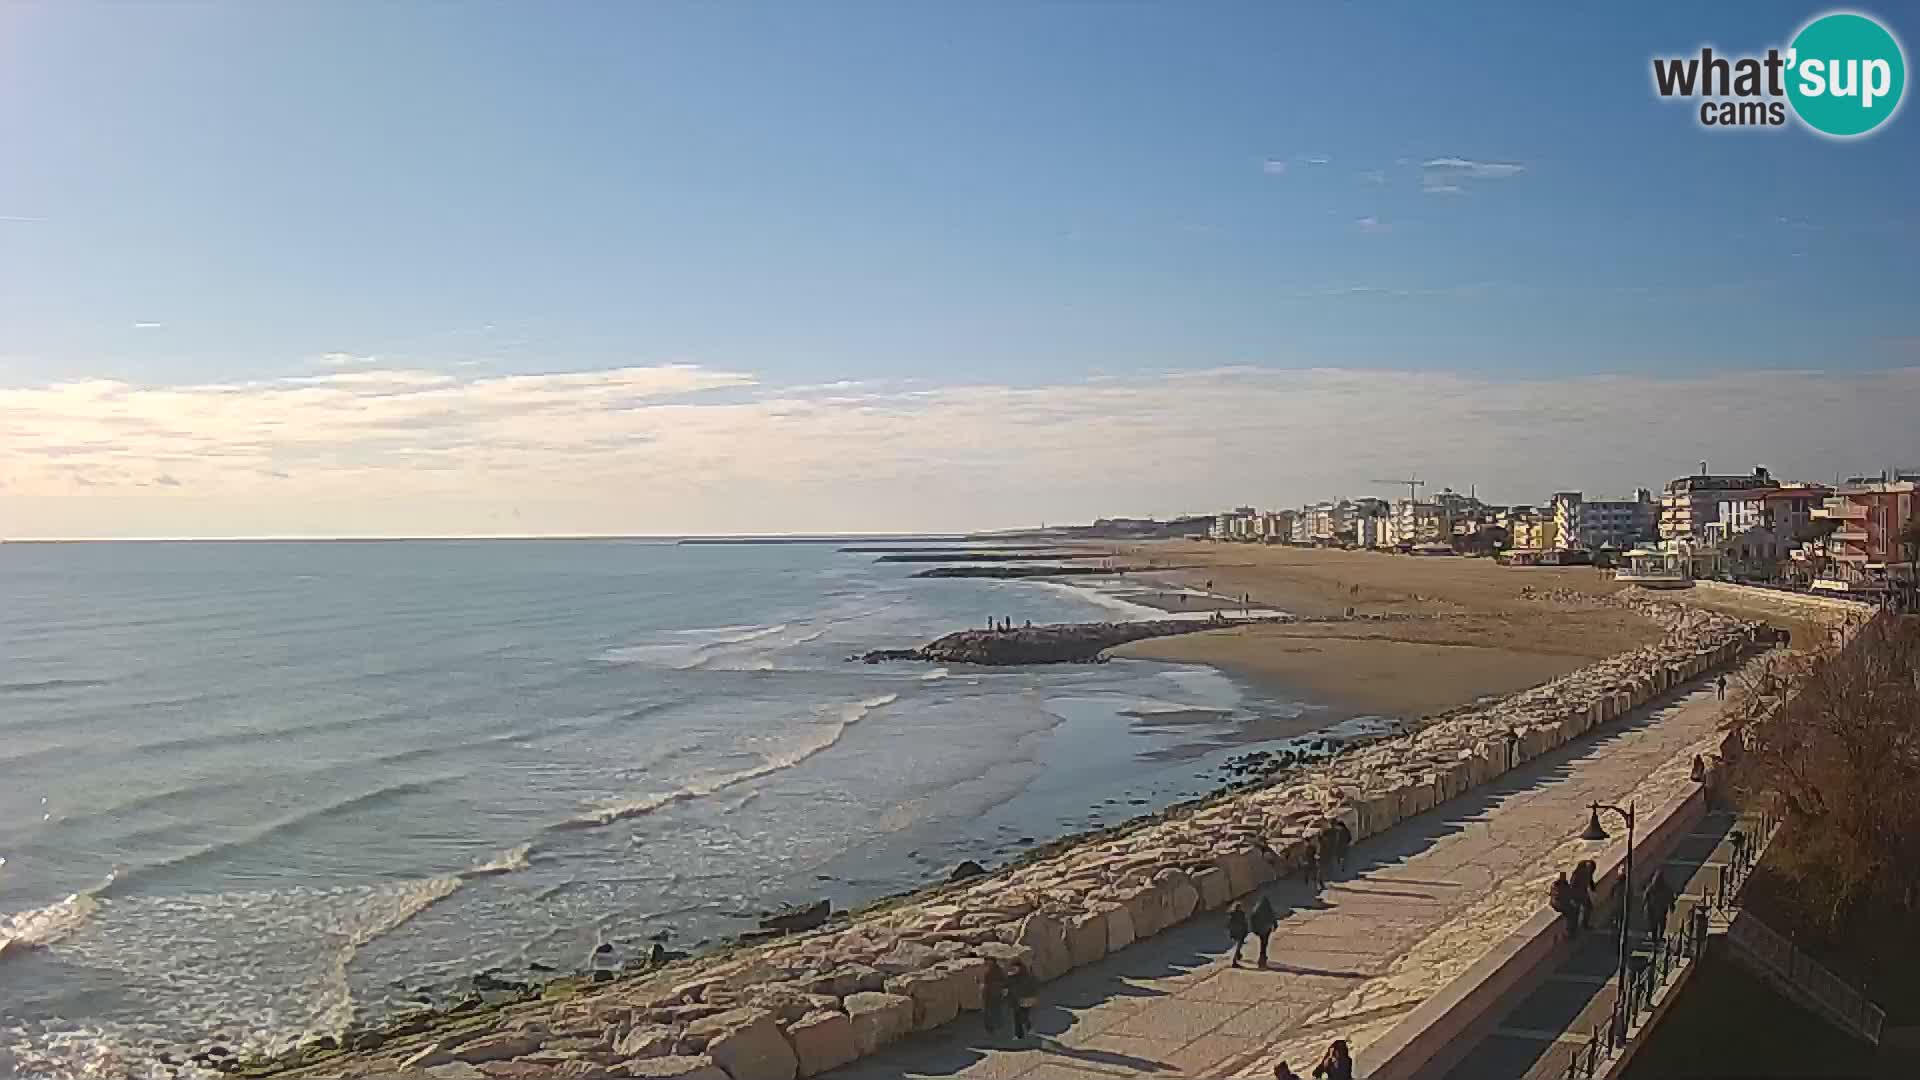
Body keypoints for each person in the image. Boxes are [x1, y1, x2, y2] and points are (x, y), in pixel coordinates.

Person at [1007, 960, 1037, 1040]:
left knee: (1023, 1016)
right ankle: (1019, 1035)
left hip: (1026, 999)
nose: (1014, 969)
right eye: (1013, 968)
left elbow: (1031, 987)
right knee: (1016, 1018)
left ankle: (1029, 1028)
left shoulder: (1026, 976)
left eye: (1015, 968)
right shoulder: (1011, 976)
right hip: (1016, 1000)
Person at [1645, 870, 1676, 946]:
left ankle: (1655, 938)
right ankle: (1656, 937)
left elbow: (1645, 898)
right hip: (1658, 909)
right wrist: (1672, 906)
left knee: (1655, 924)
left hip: (1655, 909)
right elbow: (1670, 896)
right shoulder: (1661, 888)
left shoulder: (1651, 887)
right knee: (1659, 924)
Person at [1549, 871, 1580, 939]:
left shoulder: (1558, 885)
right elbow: (1564, 895)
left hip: (1561, 903)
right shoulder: (1558, 886)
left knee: (1574, 911)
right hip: (1559, 905)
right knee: (1572, 913)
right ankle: (1569, 932)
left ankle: (1571, 930)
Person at [1568, 859, 1598, 930]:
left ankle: (1582, 925)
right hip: (1578, 893)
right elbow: (1573, 883)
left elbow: (1590, 880)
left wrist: (1593, 888)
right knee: (1582, 908)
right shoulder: (1579, 873)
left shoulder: (1586, 869)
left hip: (1583, 893)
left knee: (1586, 907)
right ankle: (1581, 926)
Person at [1250, 895, 1279, 967]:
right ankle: (1262, 957)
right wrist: (1275, 925)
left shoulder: (1256, 909)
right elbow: (1272, 917)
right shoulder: (1268, 909)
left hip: (1260, 930)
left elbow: (1252, 918)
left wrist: (1254, 929)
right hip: (1266, 929)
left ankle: (1262, 956)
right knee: (1264, 943)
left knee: (1262, 942)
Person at [981, 958, 1007, 1034]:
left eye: (988, 961)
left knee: (992, 1009)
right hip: (993, 992)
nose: (987, 962)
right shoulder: (997, 969)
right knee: (994, 1009)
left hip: (993, 992)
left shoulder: (996, 970)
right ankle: (993, 1026)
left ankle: (992, 1026)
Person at [1227, 902, 1250, 967]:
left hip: (1234, 933)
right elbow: (1244, 923)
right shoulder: (1241, 914)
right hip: (1240, 933)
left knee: (1238, 945)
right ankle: (1234, 961)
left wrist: (1231, 933)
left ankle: (1238, 955)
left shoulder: (1231, 914)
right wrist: (1246, 931)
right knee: (1238, 946)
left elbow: (1229, 925)